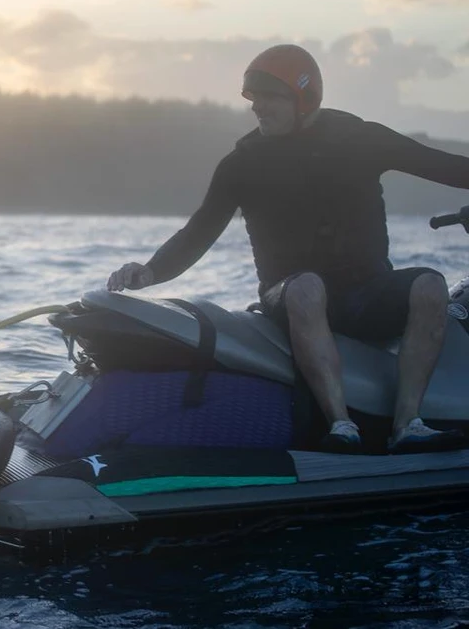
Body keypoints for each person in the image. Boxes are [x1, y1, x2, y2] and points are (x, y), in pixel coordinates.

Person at [106, 44, 469, 454]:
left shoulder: (359, 138)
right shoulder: (243, 162)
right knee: (308, 287)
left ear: (304, 96)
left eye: (268, 97)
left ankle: (408, 425)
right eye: (253, 99)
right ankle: (341, 426)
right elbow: (200, 230)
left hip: (368, 294)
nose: (257, 107)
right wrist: (151, 272)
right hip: (290, 295)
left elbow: (446, 166)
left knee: (430, 285)